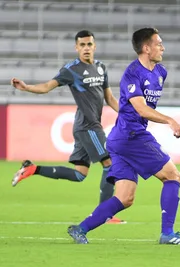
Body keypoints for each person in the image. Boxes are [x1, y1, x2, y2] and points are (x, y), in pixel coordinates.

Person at [66, 27, 180, 245]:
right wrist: (170, 120)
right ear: (146, 48)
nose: (162, 47)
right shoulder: (132, 74)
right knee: (173, 176)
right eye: (158, 43)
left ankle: (80, 229)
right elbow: (140, 109)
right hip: (131, 136)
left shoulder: (160, 72)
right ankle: (168, 234)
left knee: (125, 198)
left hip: (120, 138)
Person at [10, 30, 124, 224]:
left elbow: (110, 98)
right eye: (82, 45)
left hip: (84, 126)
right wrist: (27, 87)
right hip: (88, 127)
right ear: (76, 48)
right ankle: (105, 214)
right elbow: (47, 86)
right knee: (110, 164)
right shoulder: (71, 70)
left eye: (89, 44)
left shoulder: (101, 67)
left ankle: (32, 169)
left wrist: (127, 113)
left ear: (94, 46)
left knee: (80, 174)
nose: (86, 48)